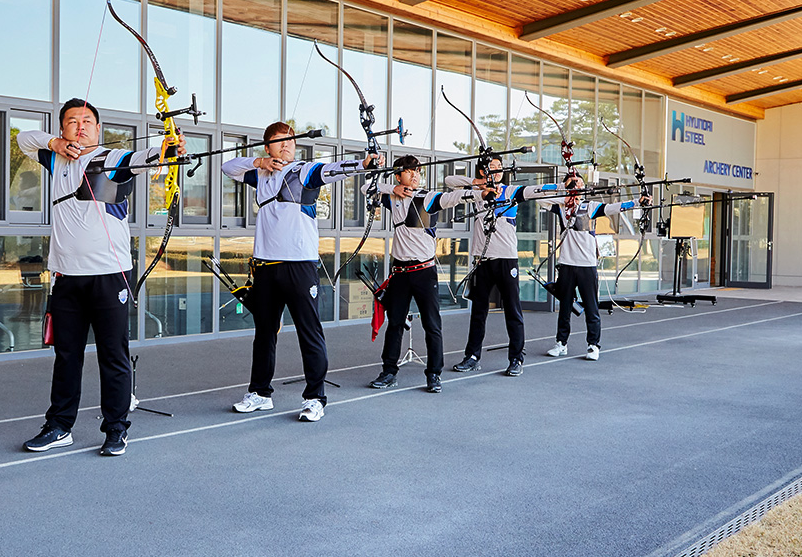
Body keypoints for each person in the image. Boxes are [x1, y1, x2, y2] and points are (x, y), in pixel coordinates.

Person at [17, 98, 185, 456]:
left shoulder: (113, 159)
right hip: (66, 275)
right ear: (62, 128)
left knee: (113, 355)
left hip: (110, 276)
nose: (81, 126)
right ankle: (60, 425)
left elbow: (147, 158)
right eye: (72, 121)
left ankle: (116, 428)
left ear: (98, 128)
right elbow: (23, 138)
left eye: (88, 121)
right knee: (67, 356)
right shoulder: (55, 158)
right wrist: (54, 144)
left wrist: (168, 148)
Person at [221, 122, 376, 421]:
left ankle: (315, 397)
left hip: (300, 266)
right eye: (279, 142)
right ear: (268, 147)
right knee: (264, 333)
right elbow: (229, 167)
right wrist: (259, 162)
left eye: (291, 141)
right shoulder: (260, 175)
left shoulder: (303, 171)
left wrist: (363, 163)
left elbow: (333, 169)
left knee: (309, 331)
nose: (287, 146)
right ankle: (260, 393)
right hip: (265, 265)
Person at [368, 156, 484, 393]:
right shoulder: (392, 197)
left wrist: (481, 192)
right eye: (409, 171)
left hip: (424, 272)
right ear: (398, 176)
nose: (415, 175)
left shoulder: (428, 197)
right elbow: (366, 187)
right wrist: (393, 189)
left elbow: (453, 197)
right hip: (400, 272)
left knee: (432, 325)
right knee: (395, 324)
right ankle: (389, 371)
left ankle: (434, 374)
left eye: (417, 171)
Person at [445, 158, 555, 377]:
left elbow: (537, 189)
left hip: (506, 259)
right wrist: (479, 183)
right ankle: (472, 357)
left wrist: (563, 186)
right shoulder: (477, 191)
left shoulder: (510, 191)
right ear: (482, 171)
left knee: (513, 310)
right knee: (478, 312)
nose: (496, 172)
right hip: (482, 260)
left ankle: (516, 358)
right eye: (491, 169)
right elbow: (449, 181)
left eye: (499, 169)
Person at [542, 171, 650, 360]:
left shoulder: (590, 206)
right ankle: (561, 343)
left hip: (587, 265)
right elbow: (539, 199)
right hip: (566, 264)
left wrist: (637, 202)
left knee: (591, 307)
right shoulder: (560, 206)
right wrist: (561, 188)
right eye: (572, 184)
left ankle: (593, 345)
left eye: (580, 184)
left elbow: (614, 207)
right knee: (565, 308)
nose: (577, 187)